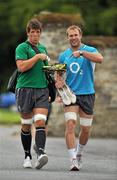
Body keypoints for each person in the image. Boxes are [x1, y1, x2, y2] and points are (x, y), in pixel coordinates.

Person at [55, 25, 103, 171]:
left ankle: (79, 153)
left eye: (76, 35)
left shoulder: (90, 50)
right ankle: (73, 160)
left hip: (88, 93)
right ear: (68, 37)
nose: (73, 38)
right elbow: (58, 75)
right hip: (71, 95)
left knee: (86, 129)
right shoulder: (63, 55)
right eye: (71, 35)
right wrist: (58, 86)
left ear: (80, 36)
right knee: (70, 124)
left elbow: (100, 59)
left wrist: (82, 53)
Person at [15, 18, 50, 169]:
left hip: (42, 89)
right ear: (28, 33)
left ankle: (41, 153)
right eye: (32, 32)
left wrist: (56, 74)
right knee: (26, 125)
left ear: (40, 33)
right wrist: (36, 57)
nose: (35, 34)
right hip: (25, 89)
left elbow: (46, 70)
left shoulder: (43, 48)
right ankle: (27, 155)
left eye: (38, 32)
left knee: (41, 121)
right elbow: (21, 67)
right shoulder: (22, 47)